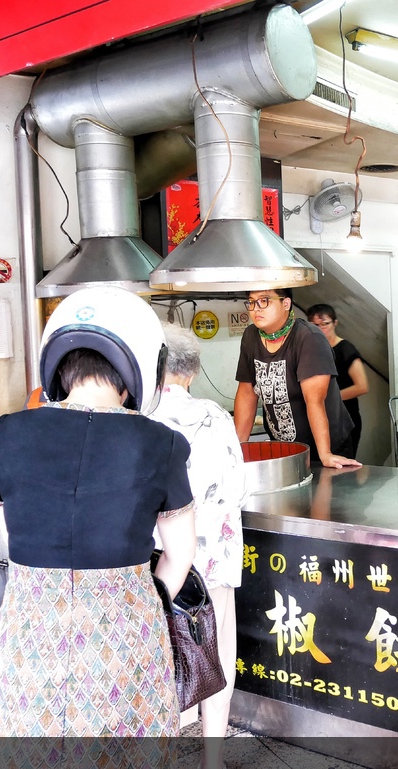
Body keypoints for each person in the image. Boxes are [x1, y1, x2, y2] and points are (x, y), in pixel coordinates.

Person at [0, 286, 196, 767]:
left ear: (58, 365)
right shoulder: (161, 442)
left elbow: (7, 525)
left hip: (32, 625)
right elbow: (180, 553)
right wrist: (148, 600)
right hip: (124, 627)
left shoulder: (10, 432)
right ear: (139, 365)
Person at [150, 323, 247, 769]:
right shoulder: (216, 416)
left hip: (157, 563)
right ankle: (214, 757)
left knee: (156, 657)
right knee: (216, 654)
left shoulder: (141, 420)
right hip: (215, 559)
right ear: (191, 373)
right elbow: (238, 488)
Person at [233, 288, 361, 469]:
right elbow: (247, 392)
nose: (256, 309)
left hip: (324, 446)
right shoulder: (250, 337)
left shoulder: (309, 338)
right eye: (252, 302)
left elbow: (314, 401)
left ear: (286, 303)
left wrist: (325, 454)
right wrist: (237, 449)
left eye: (264, 301)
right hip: (284, 447)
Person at [306, 303, 369, 459]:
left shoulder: (346, 349)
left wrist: (329, 398)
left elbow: (362, 386)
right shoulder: (313, 350)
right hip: (321, 418)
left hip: (345, 419)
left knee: (344, 467)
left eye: (325, 324)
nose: (320, 329)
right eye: (314, 325)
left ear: (335, 323)